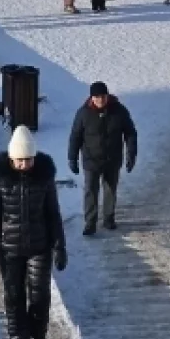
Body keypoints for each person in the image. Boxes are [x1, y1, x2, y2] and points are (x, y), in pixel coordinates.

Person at [0, 125, 67, 339]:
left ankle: (38, 333)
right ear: (11, 158)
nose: (23, 165)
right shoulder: (1, 180)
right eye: (19, 160)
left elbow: (53, 214)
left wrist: (60, 246)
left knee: (39, 295)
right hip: (10, 249)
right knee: (13, 295)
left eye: (28, 160)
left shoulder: (44, 179)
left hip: (40, 247)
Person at [68, 82, 138, 235]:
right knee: (90, 191)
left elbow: (130, 133)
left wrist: (131, 154)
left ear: (107, 96)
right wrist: (72, 158)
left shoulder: (119, 111)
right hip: (91, 159)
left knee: (110, 189)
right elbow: (75, 136)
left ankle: (108, 218)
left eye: (103, 96)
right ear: (91, 97)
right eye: (97, 97)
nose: (100, 100)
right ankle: (90, 223)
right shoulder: (83, 113)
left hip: (112, 158)